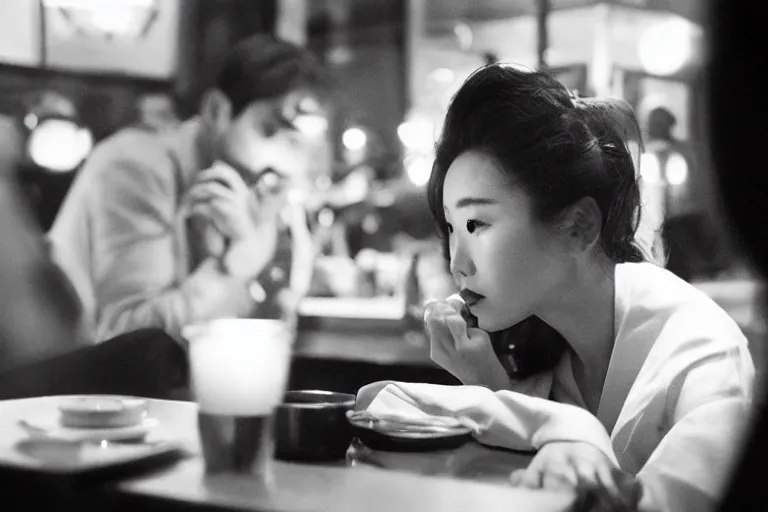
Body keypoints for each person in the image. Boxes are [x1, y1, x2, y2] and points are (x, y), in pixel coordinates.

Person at [422, 64, 754, 511]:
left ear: (579, 226)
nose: (456, 264)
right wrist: (487, 384)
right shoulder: (537, 354)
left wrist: (568, 433)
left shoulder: (700, 354)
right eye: (451, 228)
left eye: (477, 223)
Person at [48, 35, 331, 343]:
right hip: (70, 385)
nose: (289, 162)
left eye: (302, 145)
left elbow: (271, 336)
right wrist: (231, 269)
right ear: (216, 110)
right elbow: (128, 342)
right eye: (270, 131)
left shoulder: (267, 188)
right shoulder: (136, 166)